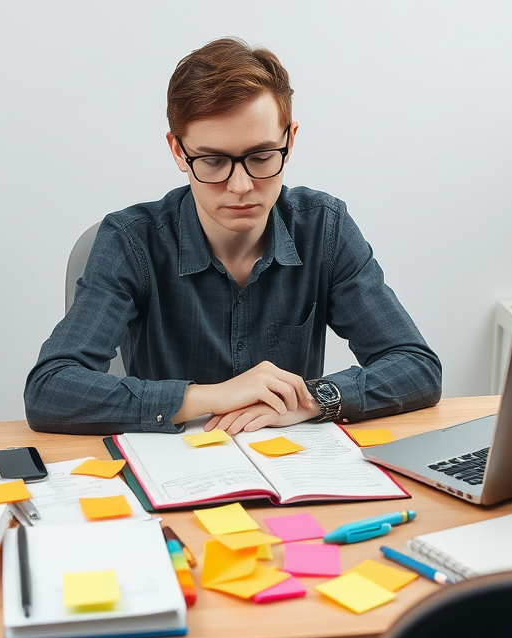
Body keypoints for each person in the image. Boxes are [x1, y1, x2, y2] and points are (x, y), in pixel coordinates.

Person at [25, 38, 441, 436]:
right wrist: (213, 397)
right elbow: (51, 389)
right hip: (176, 468)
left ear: (289, 141)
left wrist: (311, 398)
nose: (240, 186)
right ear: (177, 151)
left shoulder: (324, 228)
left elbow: (416, 367)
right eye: (212, 160)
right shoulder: (131, 241)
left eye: (261, 157)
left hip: (289, 465)